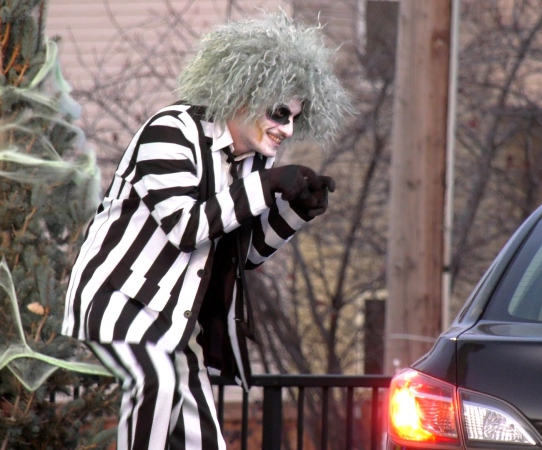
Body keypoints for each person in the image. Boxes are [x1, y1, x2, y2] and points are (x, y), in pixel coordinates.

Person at [61, 12, 352, 449]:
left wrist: (294, 213)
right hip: (119, 299)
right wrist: (266, 185)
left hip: (175, 323)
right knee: (155, 381)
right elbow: (185, 227)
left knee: (204, 439)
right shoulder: (171, 132)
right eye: (279, 113)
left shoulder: (254, 163)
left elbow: (244, 254)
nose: (287, 129)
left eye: (295, 117)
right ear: (245, 94)